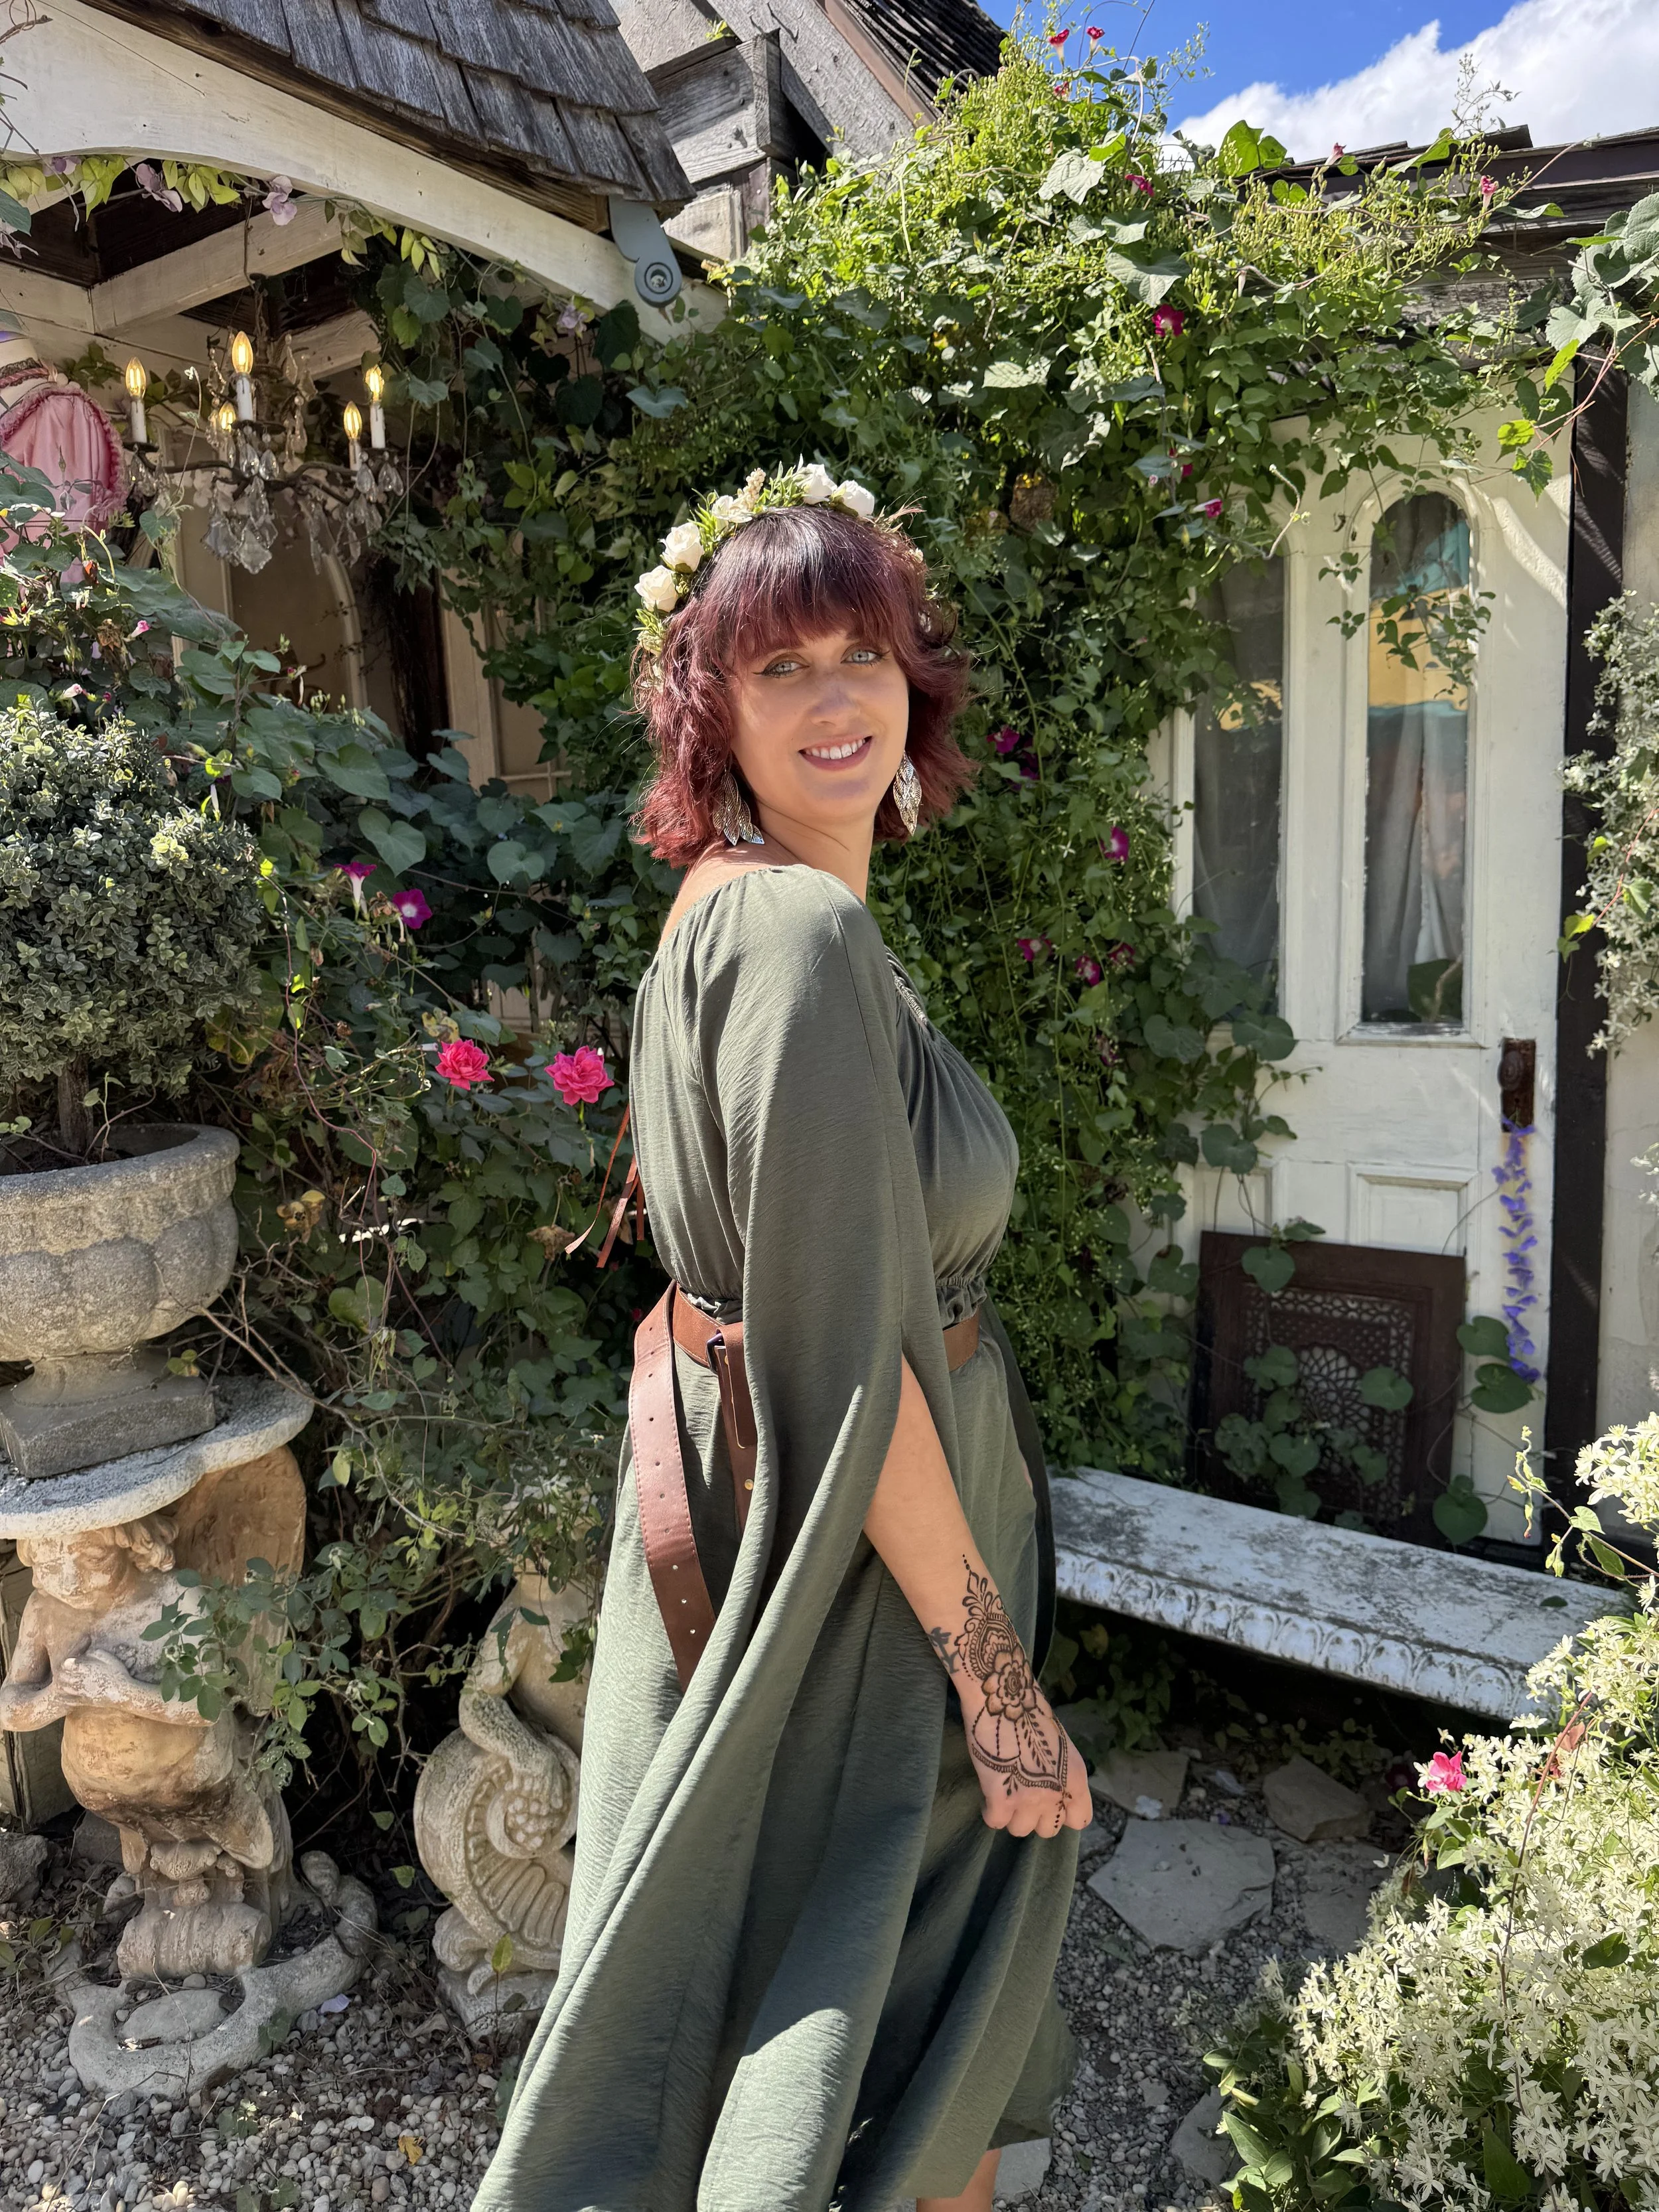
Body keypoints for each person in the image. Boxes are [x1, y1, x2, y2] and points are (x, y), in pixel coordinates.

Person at [476, 466, 1091, 2212]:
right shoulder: (795, 932)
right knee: (892, 2032)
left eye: (864, 655)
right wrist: (992, 1679)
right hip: (865, 1581)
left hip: (808, 1540)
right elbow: (838, 1364)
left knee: (816, 1999)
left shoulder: (754, 923)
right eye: (779, 668)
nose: (836, 702)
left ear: (915, 689)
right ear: (708, 713)